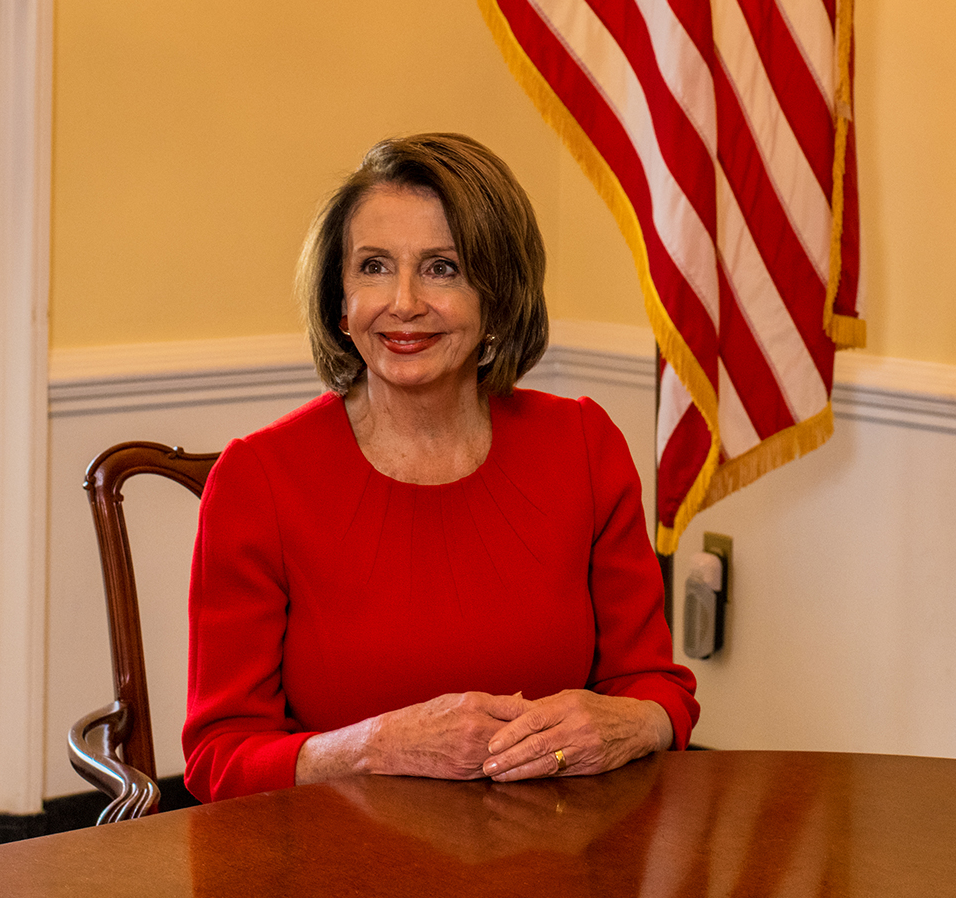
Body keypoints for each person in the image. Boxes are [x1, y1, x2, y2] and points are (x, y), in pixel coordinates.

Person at [182, 132, 697, 801]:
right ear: (339, 302)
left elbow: (654, 688)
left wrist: (632, 722)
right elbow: (220, 759)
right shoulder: (260, 478)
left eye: (441, 268)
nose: (402, 302)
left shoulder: (582, 444)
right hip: (340, 873)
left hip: (560, 856)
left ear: (498, 296)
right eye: (372, 266)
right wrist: (371, 749)